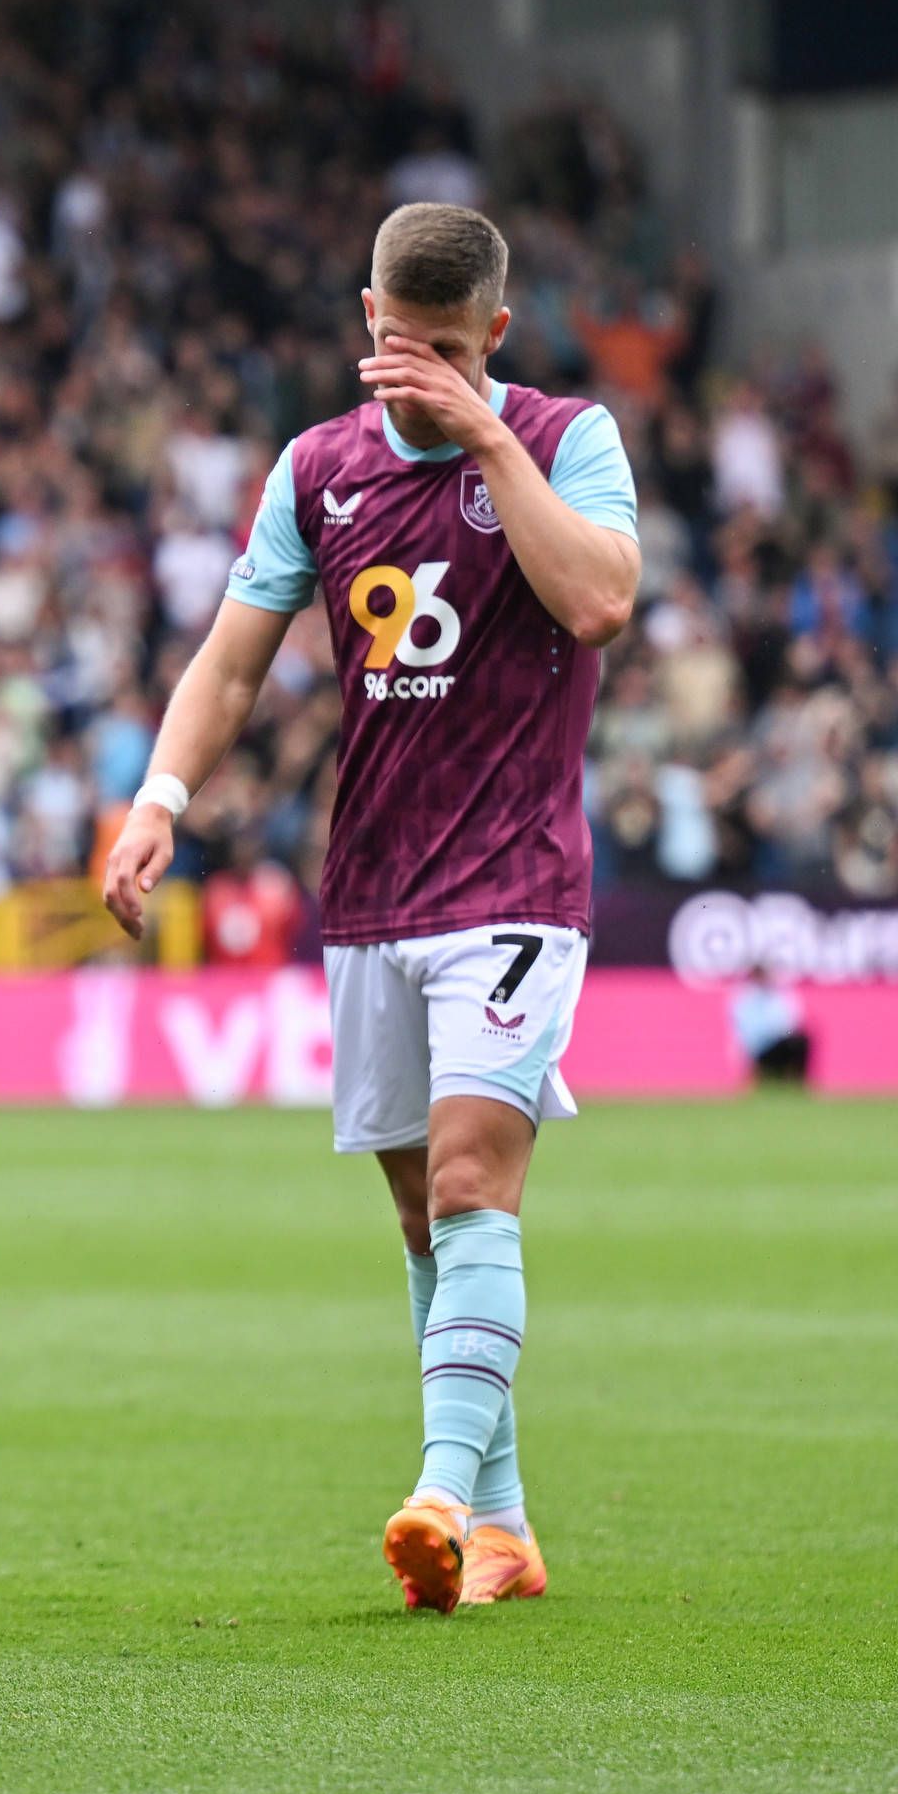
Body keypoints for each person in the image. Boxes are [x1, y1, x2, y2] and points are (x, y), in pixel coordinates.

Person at [103, 203, 640, 1616]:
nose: (417, 375)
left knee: (472, 1182)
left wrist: (491, 436)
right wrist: (161, 795)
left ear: (498, 340)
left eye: (450, 354)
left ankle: (440, 1493)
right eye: (399, 347)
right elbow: (230, 665)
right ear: (364, 320)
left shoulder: (567, 438)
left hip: (516, 884)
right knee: (422, 1218)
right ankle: (507, 1530)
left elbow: (596, 602)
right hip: (376, 892)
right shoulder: (315, 467)